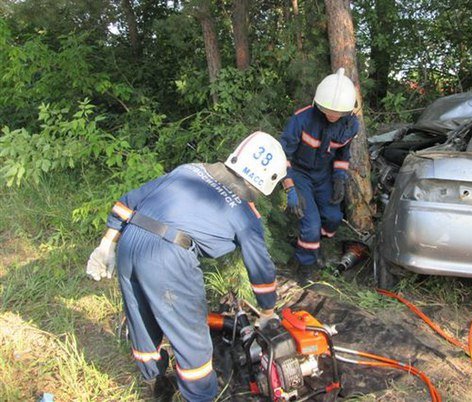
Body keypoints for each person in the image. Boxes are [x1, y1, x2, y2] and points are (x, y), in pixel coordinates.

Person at [85, 131, 287, 402]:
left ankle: (156, 381)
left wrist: (107, 244)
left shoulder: (190, 170)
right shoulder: (244, 213)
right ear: (268, 181)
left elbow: (129, 201)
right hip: (169, 258)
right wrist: (267, 310)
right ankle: (200, 396)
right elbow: (260, 268)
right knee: (193, 343)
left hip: (130, 242)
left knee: (142, 321)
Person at [279, 68, 359, 282]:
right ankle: (305, 265)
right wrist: (290, 187)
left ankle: (313, 244)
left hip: (324, 175)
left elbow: (343, 152)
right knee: (311, 224)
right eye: (327, 110)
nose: (332, 115)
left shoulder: (350, 125)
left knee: (333, 218)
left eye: (338, 112)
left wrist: (340, 178)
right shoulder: (301, 120)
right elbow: (282, 155)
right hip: (300, 174)